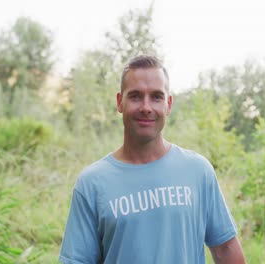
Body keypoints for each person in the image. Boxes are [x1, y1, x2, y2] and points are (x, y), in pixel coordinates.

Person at [59, 55, 245, 264]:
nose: (146, 107)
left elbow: (226, 249)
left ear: (168, 104)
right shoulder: (92, 183)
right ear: (120, 102)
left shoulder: (197, 171)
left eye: (156, 97)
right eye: (136, 96)